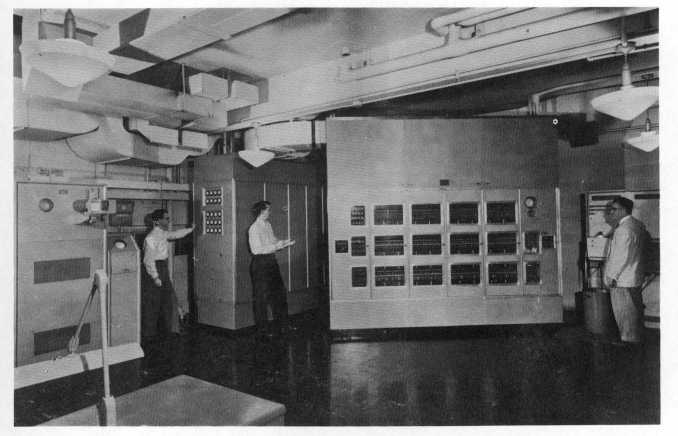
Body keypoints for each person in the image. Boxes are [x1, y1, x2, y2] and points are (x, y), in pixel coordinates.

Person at [142, 209, 195, 343]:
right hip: (154, 269)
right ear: (157, 221)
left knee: (169, 300)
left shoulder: (162, 234)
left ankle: (171, 330)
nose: (168, 221)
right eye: (166, 218)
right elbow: (148, 260)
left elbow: (175, 234)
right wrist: (155, 277)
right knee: (152, 303)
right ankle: (149, 335)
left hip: (162, 268)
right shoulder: (150, 238)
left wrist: (190, 229)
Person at [603, 196, 648, 345]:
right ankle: (635, 343)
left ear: (623, 210)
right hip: (635, 277)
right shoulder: (638, 225)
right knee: (634, 313)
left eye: (613, 209)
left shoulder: (622, 229)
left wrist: (611, 277)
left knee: (624, 315)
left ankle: (628, 345)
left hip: (621, 280)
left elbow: (620, 256)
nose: (611, 212)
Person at [248, 200, 295, 339]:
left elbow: (273, 240)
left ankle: (283, 325)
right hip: (260, 264)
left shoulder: (267, 225)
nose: (270, 212)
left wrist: (283, 243)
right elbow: (256, 250)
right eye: (268, 209)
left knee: (279, 294)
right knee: (261, 299)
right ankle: (263, 331)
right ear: (261, 211)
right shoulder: (254, 229)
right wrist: (276, 246)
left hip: (271, 262)